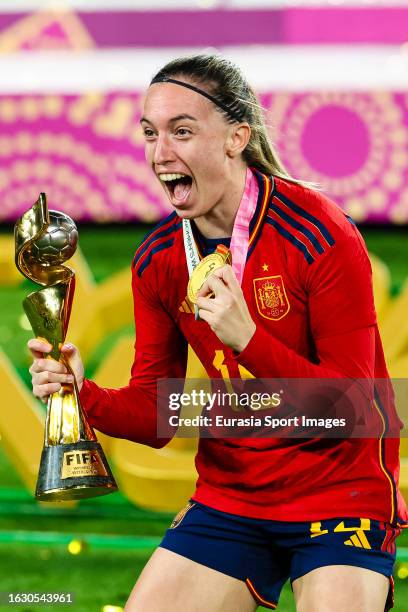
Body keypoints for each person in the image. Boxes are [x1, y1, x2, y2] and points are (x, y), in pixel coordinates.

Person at [28, 54, 407, 612]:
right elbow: (158, 414)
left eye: (182, 132)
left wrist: (247, 338)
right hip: (233, 496)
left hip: (339, 491)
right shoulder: (157, 259)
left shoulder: (321, 233)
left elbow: (356, 408)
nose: (161, 154)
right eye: (151, 134)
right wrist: (80, 395)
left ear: (237, 138)